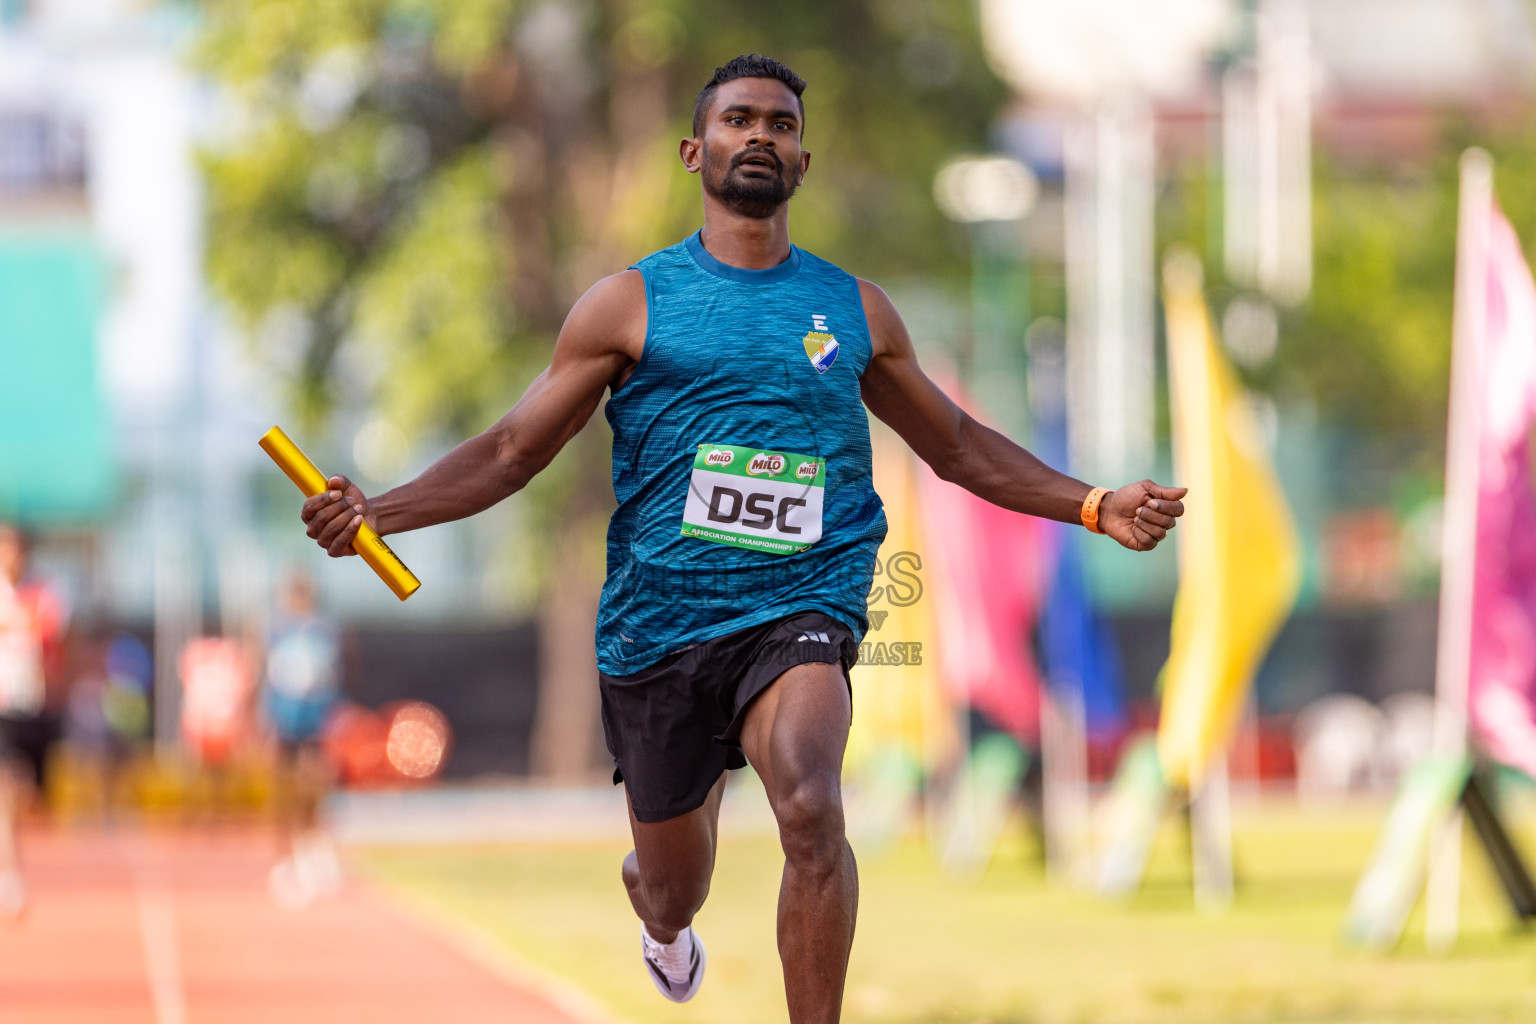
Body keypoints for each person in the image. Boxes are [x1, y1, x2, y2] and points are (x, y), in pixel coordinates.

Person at [300, 54, 1187, 1022]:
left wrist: (1095, 505)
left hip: (800, 603)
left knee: (810, 803)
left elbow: (959, 445)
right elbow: (515, 449)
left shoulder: (854, 312)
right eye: (737, 120)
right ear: (696, 151)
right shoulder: (629, 304)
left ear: (804, 159)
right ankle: (665, 917)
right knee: (673, 882)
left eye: (779, 124)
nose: (760, 135)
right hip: (658, 630)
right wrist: (381, 511)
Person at [259, 569, 346, 907]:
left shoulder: (325, 630)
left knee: (315, 781)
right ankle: (285, 857)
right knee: (283, 787)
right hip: (284, 715)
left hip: (315, 715)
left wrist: (334, 714)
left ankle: (314, 846)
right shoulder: (275, 629)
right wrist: (264, 719)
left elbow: (334, 675)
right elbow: (266, 675)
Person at [0, 524, 68, 920]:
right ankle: (11, 876)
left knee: (33, 798)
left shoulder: (43, 594)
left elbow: (57, 639)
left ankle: (13, 857)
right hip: (3, 707)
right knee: (6, 787)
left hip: (37, 708)